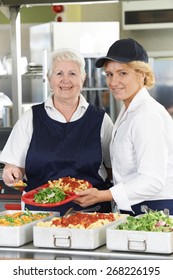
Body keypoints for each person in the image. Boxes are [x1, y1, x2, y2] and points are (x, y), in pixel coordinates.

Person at [0, 48, 113, 215]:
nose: (65, 80)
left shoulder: (101, 120)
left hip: (92, 214)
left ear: (83, 78)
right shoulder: (30, 118)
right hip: (39, 216)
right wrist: (12, 172)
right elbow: (14, 166)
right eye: (59, 73)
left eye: (73, 74)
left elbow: (113, 169)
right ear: (49, 78)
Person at [74, 38, 173, 216]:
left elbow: (152, 180)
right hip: (137, 206)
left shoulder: (147, 116)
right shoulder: (129, 110)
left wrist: (103, 195)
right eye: (110, 74)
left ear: (141, 74)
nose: (113, 82)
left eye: (122, 73)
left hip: (156, 209)